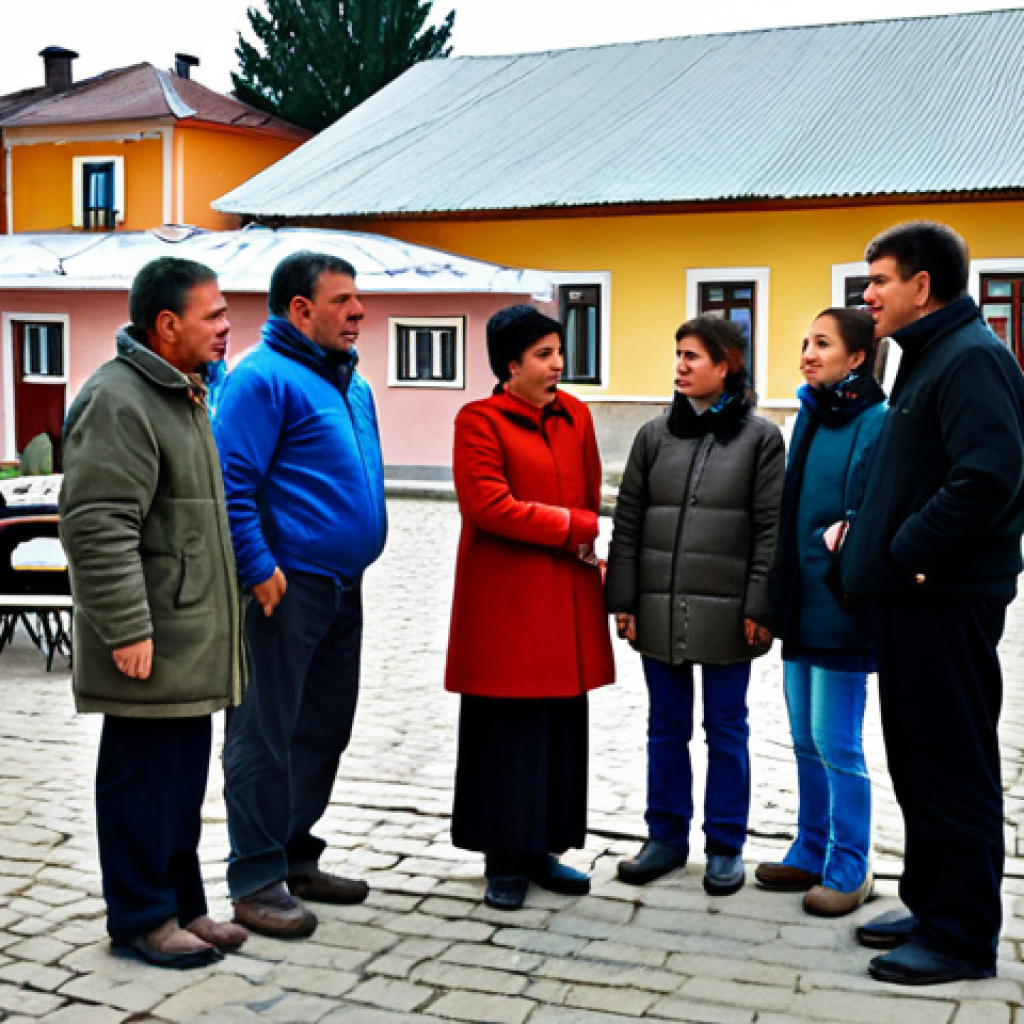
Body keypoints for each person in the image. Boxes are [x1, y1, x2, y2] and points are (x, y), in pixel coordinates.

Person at [842, 221, 1024, 985]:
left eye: (880, 280)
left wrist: (905, 549)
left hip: (943, 598)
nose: (867, 294)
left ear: (923, 285)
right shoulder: (928, 355)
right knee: (919, 762)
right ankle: (932, 900)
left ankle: (962, 936)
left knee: (953, 765)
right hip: (911, 603)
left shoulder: (972, 357)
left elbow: (990, 476)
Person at [59, 257, 247, 969]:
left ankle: (183, 903)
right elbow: (98, 523)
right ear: (167, 326)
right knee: (141, 780)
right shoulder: (121, 399)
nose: (227, 327)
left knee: (179, 779)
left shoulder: (180, 390)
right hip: (151, 634)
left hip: (189, 630)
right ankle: (141, 916)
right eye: (214, 315)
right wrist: (128, 627)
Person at [213, 251, 387, 938]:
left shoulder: (352, 383)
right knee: (264, 732)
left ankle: (295, 851)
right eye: (342, 300)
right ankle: (255, 877)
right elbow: (232, 484)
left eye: (357, 298)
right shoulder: (262, 379)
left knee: (322, 728)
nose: (358, 311)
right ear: (299, 310)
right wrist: (258, 567)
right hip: (284, 588)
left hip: (345, 586)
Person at [606, 316, 785, 895]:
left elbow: (769, 531)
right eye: (677, 355)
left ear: (725, 364)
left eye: (692, 356)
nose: (680, 366)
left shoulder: (760, 440)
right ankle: (664, 837)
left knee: (727, 728)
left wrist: (761, 604)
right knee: (665, 727)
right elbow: (627, 522)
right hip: (658, 608)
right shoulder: (653, 436)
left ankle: (726, 845)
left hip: (732, 613)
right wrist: (625, 599)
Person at [445, 305, 615, 912]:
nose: (557, 366)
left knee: (559, 728)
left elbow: (589, 489)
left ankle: (544, 846)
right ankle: (503, 856)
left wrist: (583, 535)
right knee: (507, 729)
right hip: (506, 602)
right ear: (509, 365)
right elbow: (488, 505)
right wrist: (575, 526)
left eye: (558, 353)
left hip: (565, 595)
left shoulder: (576, 416)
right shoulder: (479, 421)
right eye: (543, 356)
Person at [754, 308, 885, 917]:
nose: (808, 353)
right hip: (801, 603)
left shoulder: (878, 421)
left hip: (843, 606)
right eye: (806, 341)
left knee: (838, 742)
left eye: (823, 344)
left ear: (856, 358)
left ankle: (851, 865)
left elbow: (877, 512)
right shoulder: (809, 414)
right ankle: (810, 848)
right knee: (805, 738)